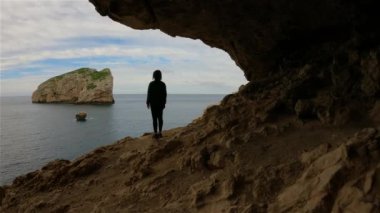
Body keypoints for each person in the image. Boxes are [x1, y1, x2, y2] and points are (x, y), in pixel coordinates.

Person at [146, 70, 167, 139]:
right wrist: (164, 103)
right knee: (160, 118)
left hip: (153, 103)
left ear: (154, 76)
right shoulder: (163, 84)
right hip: (160, 104)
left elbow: (149, 94)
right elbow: (165, 95)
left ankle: (155, 133)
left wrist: (148, 102)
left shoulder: (151, 84)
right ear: (160, 76)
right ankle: (160, 132)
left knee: (154, 119)